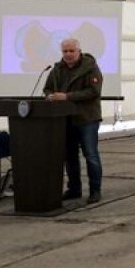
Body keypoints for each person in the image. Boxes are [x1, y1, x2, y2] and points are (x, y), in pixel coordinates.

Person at [44, 38, 103, 204]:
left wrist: (67, 97)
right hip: (65, 119)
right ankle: (74, 189)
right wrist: (49, 96)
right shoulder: (57, 69)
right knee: (69, 156)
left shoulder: (90, 67)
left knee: (90, 154)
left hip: (87, 118)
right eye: (65, 51)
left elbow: (93, 91)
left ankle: (95, 190)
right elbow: (47, 88)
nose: (68, 54)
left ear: (79, 51)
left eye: (71, 51)